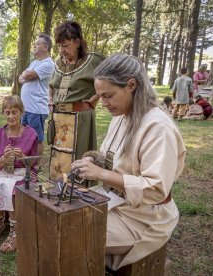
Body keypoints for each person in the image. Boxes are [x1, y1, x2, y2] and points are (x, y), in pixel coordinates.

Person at [71, 54, 186, 271]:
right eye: (99, 96)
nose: (103, 103)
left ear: (131, 85)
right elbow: (109, 156)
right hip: (116, 202)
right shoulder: (121, 117)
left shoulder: (158, 127)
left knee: (72, 233)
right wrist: (92, 159)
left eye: (108, 96)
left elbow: (155, 189)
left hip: (144, 218)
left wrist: (101, 174)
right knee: (66, 218)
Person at [48, 21, 104, 181]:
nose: (61, 50)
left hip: (80, 119)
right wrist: (50, 99)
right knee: (59, 157)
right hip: (59, 120)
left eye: (65, 46)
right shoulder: (58, 64)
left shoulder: (93, 61)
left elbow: (111, 78)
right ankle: (57, 188)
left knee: (78, 160)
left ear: (78, 42)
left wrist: (95, 97)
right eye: (59, 46)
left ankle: (79, 196)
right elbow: (51, 85)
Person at [0, 96, 38, 253]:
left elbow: (33, 164)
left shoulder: (31, 133)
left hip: (25, 173)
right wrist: (3, 158)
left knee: (13, 192)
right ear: (3, 113)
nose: (11, 116)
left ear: (21, 112)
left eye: (15, 112)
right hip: (4, 174)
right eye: (7, 112)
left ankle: (15, 231)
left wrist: (22, 157)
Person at [19, 34, 54, 159]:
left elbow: (26, 76)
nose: (35, 45)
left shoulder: (49, 64)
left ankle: (36, 165)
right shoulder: (35, 62)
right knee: (24, 136)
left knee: (37, 138)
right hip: (25, 108)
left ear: (45, 47)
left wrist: (26, 74)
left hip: (36, 108)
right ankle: (27, 161)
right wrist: (25, 74)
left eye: (38, 43)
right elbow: (21, 77)